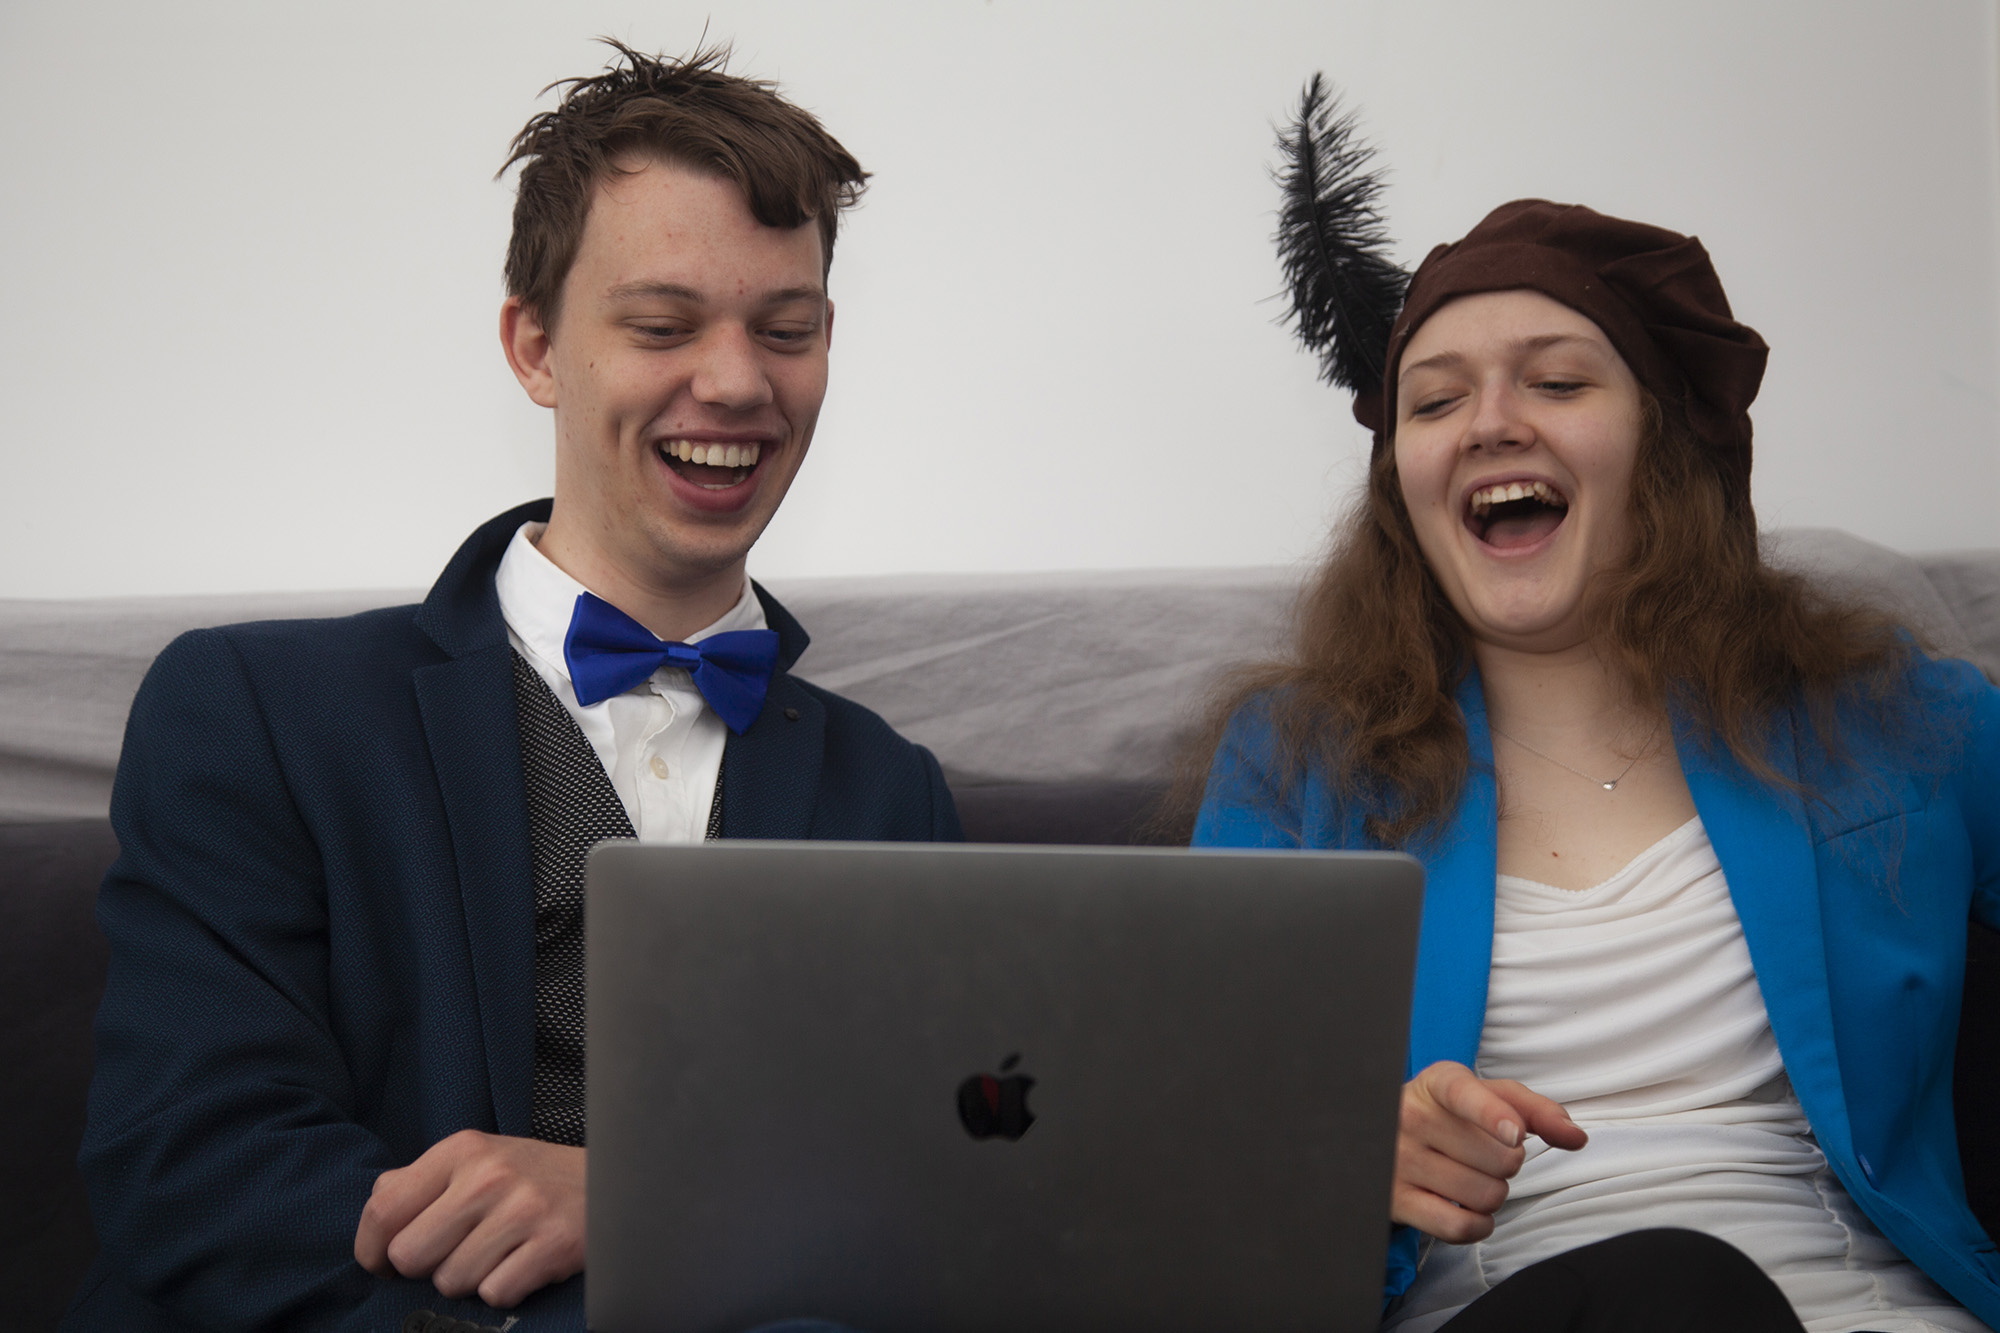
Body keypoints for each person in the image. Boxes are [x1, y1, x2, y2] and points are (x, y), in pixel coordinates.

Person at [69, 44, 960, 1333]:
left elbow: (927, 1192)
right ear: (534, 346)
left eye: (786, 330)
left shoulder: (896, 794)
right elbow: (199, 1166)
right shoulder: (253, 710)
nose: (735, 382)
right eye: (661, 326)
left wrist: (643, 1201)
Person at [1191, 193, 2000, 1330]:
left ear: (1661, 442)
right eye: (1436, 400)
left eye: (1558, 383)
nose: (1489, 423)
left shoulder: (1897, 715)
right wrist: (1345, 1151)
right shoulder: (1293, 767)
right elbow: (1190, 1146)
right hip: (1516, 1310)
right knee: (1674, 1287)